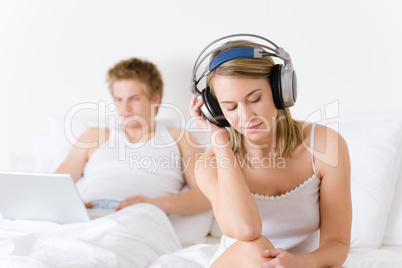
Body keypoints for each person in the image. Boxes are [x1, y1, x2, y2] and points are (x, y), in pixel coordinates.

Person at [189, 36, 351, 267]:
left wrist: (298, 263)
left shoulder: (326, 146)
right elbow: (247, 230)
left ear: (280, 91)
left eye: (254, 99)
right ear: (216, 111)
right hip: (242, 262)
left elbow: (337, 245)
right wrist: (222, 145)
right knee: (256, 248)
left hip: (303, 265)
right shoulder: (211, 164)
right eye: (230, 107)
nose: (246, 117)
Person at [57, 57, 211, 216]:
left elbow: (208, 195)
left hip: (141, 217)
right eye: (118, 100)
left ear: (155, 98)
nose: (125, 108)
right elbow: (52, 187)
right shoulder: (93, 136)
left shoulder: (180, 139)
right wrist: (73, 207)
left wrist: (157, 204)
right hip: (88, 217)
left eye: (134, 99)